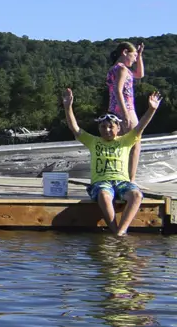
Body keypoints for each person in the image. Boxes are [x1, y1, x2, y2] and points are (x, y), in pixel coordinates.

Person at [63, 87, 163, 236]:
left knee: (136, 195)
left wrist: (151, 109)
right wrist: (68, 107)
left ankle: (121, 231)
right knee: (104, 195)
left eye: (111, 127)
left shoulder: (125, 140)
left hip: (122, 182)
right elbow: (75, 128)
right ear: (99, 128)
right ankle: (115, 231)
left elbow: (140, 126)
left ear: (118, 128)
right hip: (101, 183)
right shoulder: (93, 141)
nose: (107, 130)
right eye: (103, 127)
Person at [107, 42, 147, 184]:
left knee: (118, 145)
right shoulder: (122, 69)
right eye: (134, 55)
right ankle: (131, 179)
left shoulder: (114, 69)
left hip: (113, 110)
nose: (135, 59)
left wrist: (140, 55)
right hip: (126, 109)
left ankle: (118, 176)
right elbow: (118, 91)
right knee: (135, 144)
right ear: (125, 52)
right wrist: (125, 114)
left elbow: (140, 74)